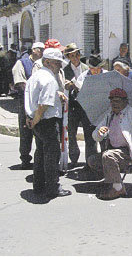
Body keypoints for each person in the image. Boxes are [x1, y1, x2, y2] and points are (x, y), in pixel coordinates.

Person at [87, 88, 132, 200]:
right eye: (112, 101)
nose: (114, 104)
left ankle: (118, 188)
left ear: (125, 102)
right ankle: (112, 181)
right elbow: (95, 136)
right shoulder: (109, 116)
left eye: (117, 101)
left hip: (129, 152)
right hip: (113, 151)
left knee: (108, 155)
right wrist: (99, 133)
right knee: (92, 160)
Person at [24, 48, 71, 198]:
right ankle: (52, 187)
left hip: (37, 121)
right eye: (57, 63)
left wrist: (31, 120)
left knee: (40, 154)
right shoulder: (49, 79)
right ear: (47, 62)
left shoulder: (36, 76)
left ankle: (39, 185)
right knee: (51, 155)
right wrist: (36, 119)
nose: (59, 66)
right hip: (46, 121)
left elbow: (32, 99)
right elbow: (43, 104)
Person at [12, 42, 45, 169]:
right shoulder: (22, 63)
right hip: (26, 102)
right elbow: (20, 82)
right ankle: (25, 159)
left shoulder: (43, 64)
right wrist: (33, 90)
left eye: (43, 49)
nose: (42, 52)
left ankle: (39, 158)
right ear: (33, 50)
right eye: (40, 49)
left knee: (40, 130)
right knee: (26, 130)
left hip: (39, 102)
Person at [63, 43, 96, 168]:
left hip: (86, 105)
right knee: (72, 133)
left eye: (77, 55)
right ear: (68, 57)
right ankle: (74, 159)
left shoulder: (86, 68)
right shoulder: (65, 70)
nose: (75, 58)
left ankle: (91, 160)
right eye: (72, 56)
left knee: (89, 133)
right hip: (72, 106)